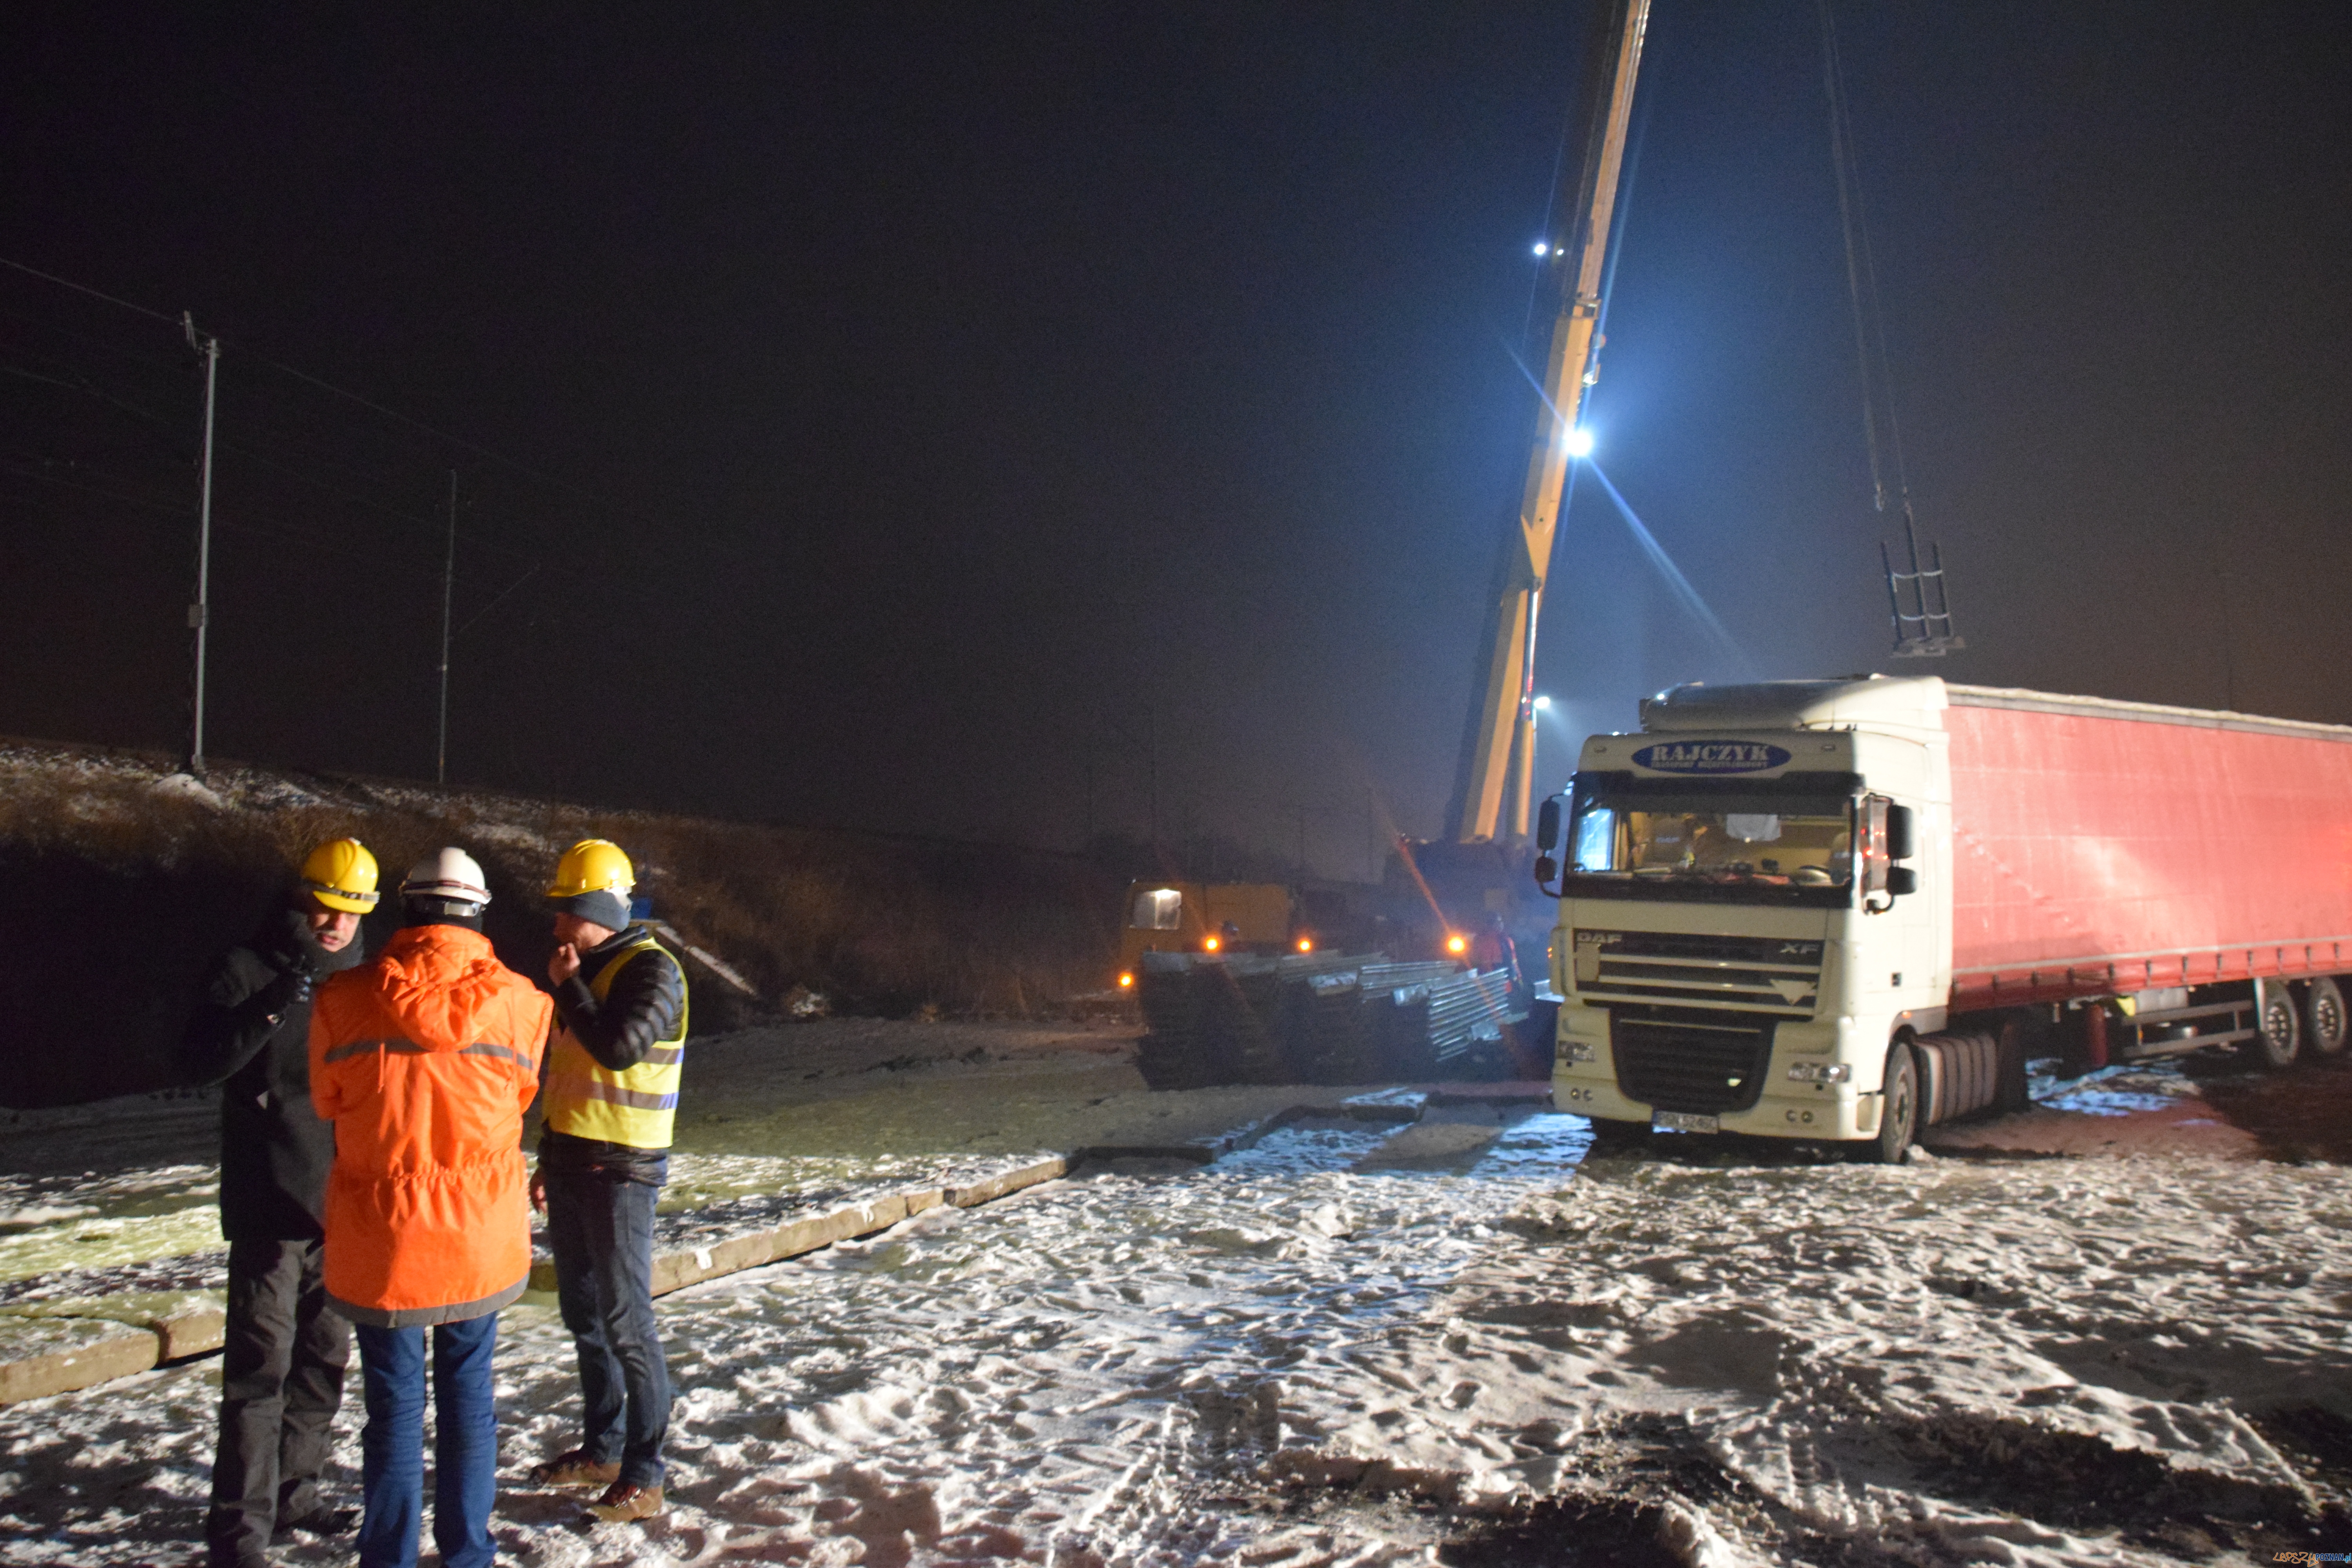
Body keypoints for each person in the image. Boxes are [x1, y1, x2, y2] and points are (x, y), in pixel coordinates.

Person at [309, 848, 552, 1568]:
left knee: (392, 1410)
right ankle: (468, 1553)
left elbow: (327, 1102)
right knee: (470, 1399)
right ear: (478, 913)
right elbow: (521, 1098)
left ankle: (387, 1555)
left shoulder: (340, 999)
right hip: (479, 1236)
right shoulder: (525, 1004)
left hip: (382, 1242)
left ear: (408, 907)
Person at [181, 837, 380, 1568]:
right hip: (270, 1204)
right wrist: (268, 1007)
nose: (334, 926)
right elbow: (197, 1062)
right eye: (326, 908)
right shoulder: (246, 967)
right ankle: (239, 1534)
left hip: (342, 1204)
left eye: (351, 913)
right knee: (260, 1371)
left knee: (323, 1361)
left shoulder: (364, 978)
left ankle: (297, 1491)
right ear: (301, 899)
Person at [527, 838, 688, 1524]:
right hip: (572, 1164)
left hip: (623, 1171)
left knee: (627, 1323)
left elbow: (620, 1051)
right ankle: (603, 1449)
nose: (561, 926)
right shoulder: (589, 968)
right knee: (584, 1318)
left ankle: (645, 1473)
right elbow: (566, 1074)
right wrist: (547, 1153)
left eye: (572, 912)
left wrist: (568, 987)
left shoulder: (655, 972)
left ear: (603, 908)